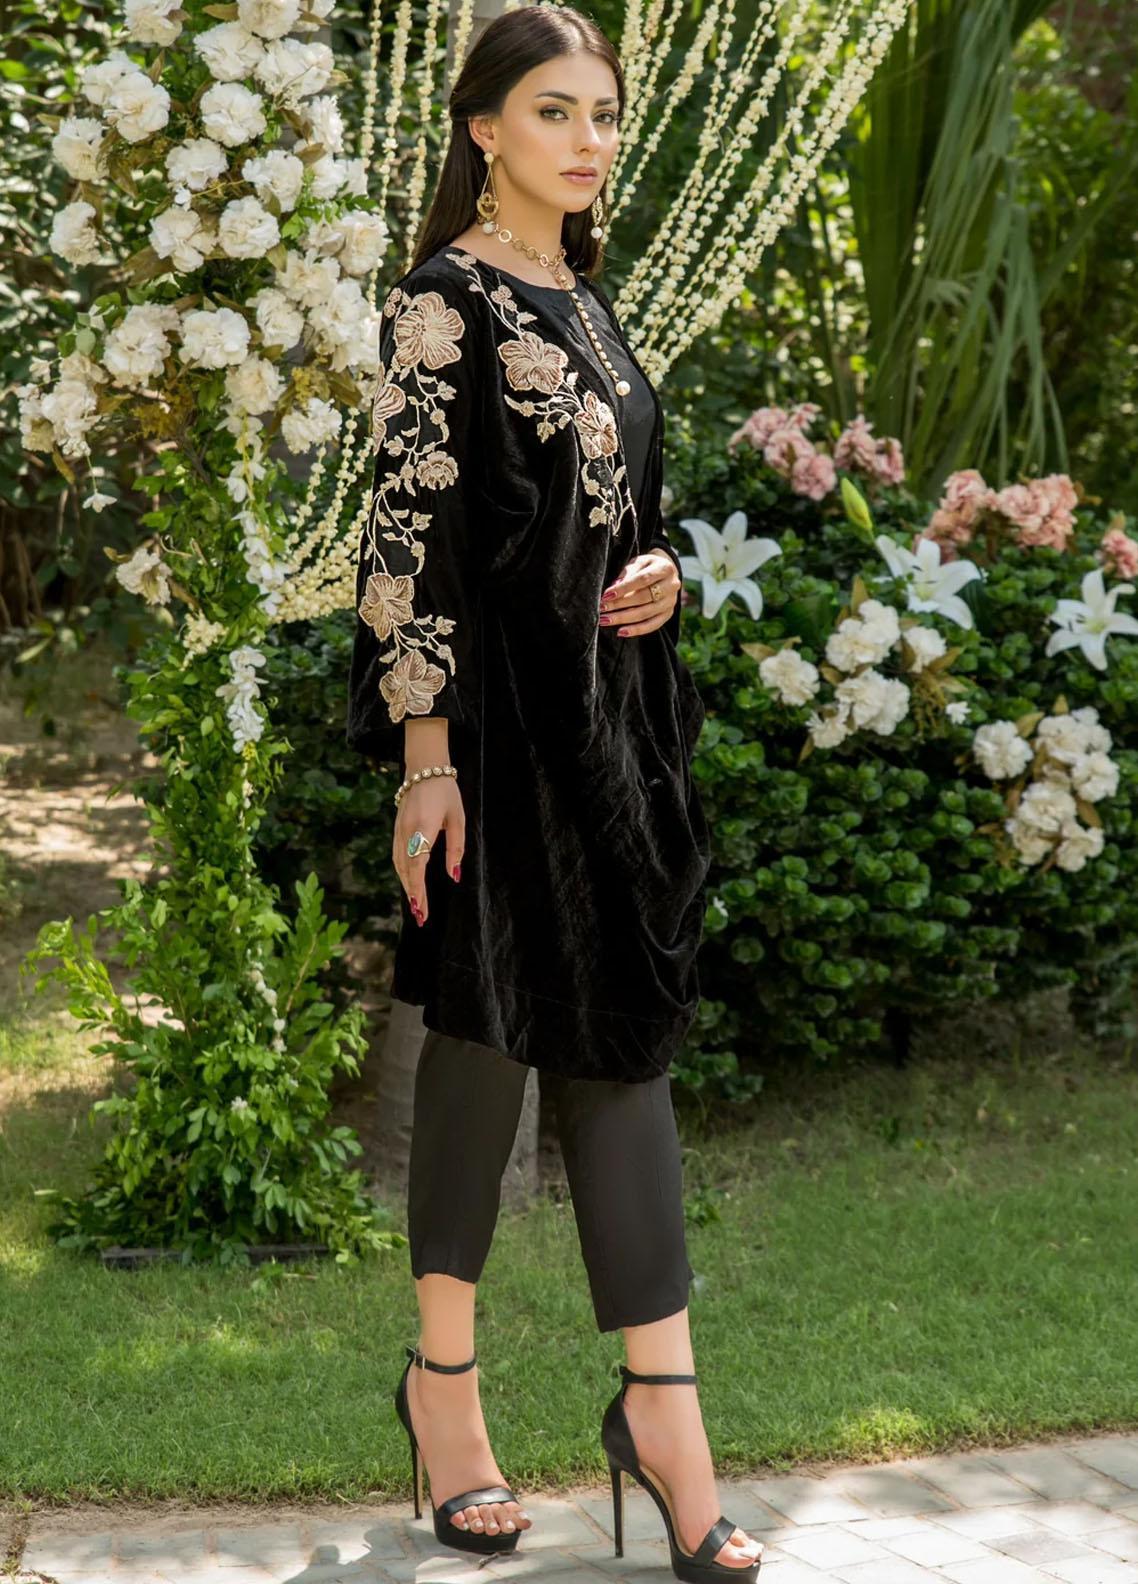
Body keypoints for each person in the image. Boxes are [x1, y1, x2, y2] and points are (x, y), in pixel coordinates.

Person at [345, 7, 763, 1579]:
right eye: (552, 111)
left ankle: (658, 1411)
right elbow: (409, 547)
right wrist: (426, 765)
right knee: (485, 1037)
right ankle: (449, 1393)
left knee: (621, 1037)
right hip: (499, 741)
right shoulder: (442, 301)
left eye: (602, 113)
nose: (589, 140)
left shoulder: (584, 293)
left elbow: (613, 508)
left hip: (609, 734)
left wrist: (658, 572)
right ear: (482, 129)